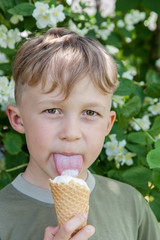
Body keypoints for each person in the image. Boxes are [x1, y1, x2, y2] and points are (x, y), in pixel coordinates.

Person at [0, 28, 159, 240]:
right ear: (18, 120)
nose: (71, 133)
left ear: (108, 125)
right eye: (52, 111)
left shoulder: (131, 205)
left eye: (90, 113)